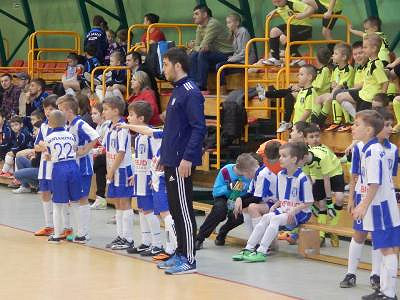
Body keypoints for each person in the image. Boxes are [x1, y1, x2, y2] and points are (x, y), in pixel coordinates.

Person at [157, 47, 206, 274]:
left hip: (181, 162)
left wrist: (187, 157)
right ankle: (179, 252)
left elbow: (198, 128)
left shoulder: (190, 91)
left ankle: (189, 259)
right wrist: (163, 156)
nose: (163, 69)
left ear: (177, 65)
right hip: (171, 159)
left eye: (166, 64)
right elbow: (173, 129)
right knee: (175, 209)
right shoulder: (177, 91)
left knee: (184, 210)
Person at [340, 108, 397, 292]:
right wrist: (356, 201)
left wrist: (363, 205)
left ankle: (386, 290)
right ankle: (384, 290)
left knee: (386, 248)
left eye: (356, 125)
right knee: (381, 246)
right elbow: (360, 177)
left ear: (369, 130)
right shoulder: (366, 148)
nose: (352, 128)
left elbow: (376, 183)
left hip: (379, 204)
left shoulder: (374, 152)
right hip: (374, 201)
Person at [232, 142, 313, 262]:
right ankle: (249, 248)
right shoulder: (281, 174)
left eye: (284, 156)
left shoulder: (303, 178)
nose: (280, 158)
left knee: (274, 219)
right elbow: (282, 199)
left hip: (300, 212)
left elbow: (309, 202)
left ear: (294, 159)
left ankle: (262, 251)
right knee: (266, 218)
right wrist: (274, 206)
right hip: (284, 209)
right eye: (280, 156)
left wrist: (293, 211)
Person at [117, 122, 178, 261]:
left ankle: (174, 248)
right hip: (157, 178)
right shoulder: (163, 137)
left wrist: (127, 126)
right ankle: (170, 248)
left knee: (166, 215)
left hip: (164, 178)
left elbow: (146, 129)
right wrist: (153, 176)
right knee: (164, 215)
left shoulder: (164, 134)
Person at [57, 95, 99, 243]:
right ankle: (78, 230)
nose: (58, 112)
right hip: (73, 167)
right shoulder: (68, 125)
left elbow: (95, 136)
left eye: (60, 109)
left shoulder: (80, 123)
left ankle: (84, 233)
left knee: (82, 199)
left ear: (69, 111)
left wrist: (85, 150)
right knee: (74, 199)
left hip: (83, 167)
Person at [122, 101, 163, 256]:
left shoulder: (150, 135)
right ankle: (146, 242)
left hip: (148, 178)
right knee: (142, 209)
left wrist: (152, 176)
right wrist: (136, 173)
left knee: (149, 210)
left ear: (141, 118)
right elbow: (141, 159)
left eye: (131, 115)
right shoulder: (139, 137)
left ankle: (157, 244)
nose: (128, 117)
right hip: (140, 176)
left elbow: (156, 158)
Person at [195, 153, 258, 250]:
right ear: (245, 171)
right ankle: (199, 238)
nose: (252, 173)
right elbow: (215, 191)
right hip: (223, 197)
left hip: (241, 199)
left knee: (241, 216)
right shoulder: (226, 171)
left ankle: (223, 232)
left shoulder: (250, 176)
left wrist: (241, 200)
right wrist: (228, 187)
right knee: (219, 210)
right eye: (250, 171)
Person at [302, 123, 345, 247]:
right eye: (311, 137)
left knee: (340, 199)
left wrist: (329, 201)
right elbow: (308, 179)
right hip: (319, 176)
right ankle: (321, 235)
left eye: (317, 136)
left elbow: (327, 180)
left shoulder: (323, 154)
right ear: (306, 140)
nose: (315, 139)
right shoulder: (305, 156)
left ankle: (333, 231)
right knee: (321, 205)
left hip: (334, 172)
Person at [44, 110, 82, 244]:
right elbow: (75, 149)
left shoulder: (49, 137)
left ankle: (57, 235)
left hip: (59, 168)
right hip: (73, 167)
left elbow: (48, 155)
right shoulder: (70, 135)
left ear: (50, 123)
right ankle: (80, 235)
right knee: (76, 202)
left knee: (58, 205)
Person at [102, 96, 135, 250]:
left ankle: (128, 238)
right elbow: (107, 148)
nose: (103, 112)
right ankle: (121, 236)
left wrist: (112, 170)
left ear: (116, 111)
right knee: (117, 203)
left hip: (121, 169)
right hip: (112, 168)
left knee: (124, 202)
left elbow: (121, 152)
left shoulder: (122, 128)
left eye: (106, 109)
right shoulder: (109, 126)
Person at [338, 34, 389, 124]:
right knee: (360, 118)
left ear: (373, 49)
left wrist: (381, 99)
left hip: (369, 98)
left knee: (363, 120)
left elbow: (384, 81)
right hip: (364, 95)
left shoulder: (375, 65)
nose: (364, 50)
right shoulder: (370, 63)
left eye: (365, 48)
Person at [257, 64, 317, 132]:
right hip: (298, 126)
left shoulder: (310, 93)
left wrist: (298, 125)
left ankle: (265, 94)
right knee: (289, 92)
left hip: (304, 127)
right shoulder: (302, 91)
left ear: (309, 77)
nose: (298, 76)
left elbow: (307, 112)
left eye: (301, 74)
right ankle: (265, 94)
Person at [189, 4, 233, 91]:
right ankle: (193, 84)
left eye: (196, 14)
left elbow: (200, 47)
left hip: (228, 54)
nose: (194, 17)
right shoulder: (200, 26)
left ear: (205, 15)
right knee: (194, 55)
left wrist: (193, 47)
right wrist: (195, 47)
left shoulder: (213, 24)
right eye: (194, 14)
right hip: (216, 53)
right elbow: (199, 45)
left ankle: (201, 86)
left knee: (202, 54)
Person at [33, 95, 58, 237]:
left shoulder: (62, 126)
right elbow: (36, 146)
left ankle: (64, 226)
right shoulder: (43, 125)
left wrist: (46, 145)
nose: (47, 112)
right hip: (44, 166)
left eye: (50, 109)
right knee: (45, 194)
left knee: (60, 196)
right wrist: (43, 147)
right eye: (45, 109)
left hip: (56, 166)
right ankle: (49, 225)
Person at [313, 43, 354, 128]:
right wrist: (333, 85)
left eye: (335, 54)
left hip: (347, 92)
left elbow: (342, 85)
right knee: (318, 98)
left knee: (332, 99)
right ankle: (314, 122)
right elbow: (333, 83)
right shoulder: (335, 69)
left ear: (343, 57)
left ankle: (342, 122)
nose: (333, 56)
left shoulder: (349, 69)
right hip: (336, 91)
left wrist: (335, 88)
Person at [263, 0, 314, 66]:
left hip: (305, 27)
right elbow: (281, 7)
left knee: (283, 38)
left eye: (279, 1)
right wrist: (275, 10)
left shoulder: (293, 3)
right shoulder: (279, 7)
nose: (277, 2)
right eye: (275, 1)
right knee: (274, 31)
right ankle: (276, 58)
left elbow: (311, 9)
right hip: (292, 26)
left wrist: (303, 15)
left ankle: (297, 59)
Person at [333, 41, 368, 131]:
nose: (358, 56)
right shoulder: (358, 68)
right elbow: (357, 85)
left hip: (367, 94)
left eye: (360, 53)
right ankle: (357, 120)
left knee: (338, 95)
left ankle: (357, 121)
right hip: (361, 93)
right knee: (338, 95)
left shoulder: (370, 65)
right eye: (355, 54)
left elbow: (364, 84)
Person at [216, 13, 256, 88]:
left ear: (237, 23)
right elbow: (237, 51)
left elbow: (245, 52)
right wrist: (232, 57)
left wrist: (232, 59)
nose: (228, 25)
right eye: (227, 23)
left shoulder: (243, 32)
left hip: (245, 61)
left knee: (220, 66)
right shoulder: (234, 34)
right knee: (218, 64)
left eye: (229, 22)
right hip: (239, 60)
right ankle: (222, 86)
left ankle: (222, 88)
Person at [12, 120, 41, 194]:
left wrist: (32, 158)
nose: (33, 132)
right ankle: (25, 187)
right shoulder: (37, 140)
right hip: (37, 168)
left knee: (17, 174)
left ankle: (40, 186)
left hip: (42, 171)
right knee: (19, 159)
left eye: (35, 130)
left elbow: (36, 163)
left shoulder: (42, 142)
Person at [90, 103, 109, 210]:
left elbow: (106, 147)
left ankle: (100, 198)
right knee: (99, 164)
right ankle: (100, 199)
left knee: (99, 161)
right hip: (103, 156)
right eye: (92, 113)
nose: (92, 116)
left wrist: (93, 151)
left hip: (111, 156)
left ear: (102, 114)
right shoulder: (98, 127)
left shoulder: (107, 126)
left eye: (95, 113)